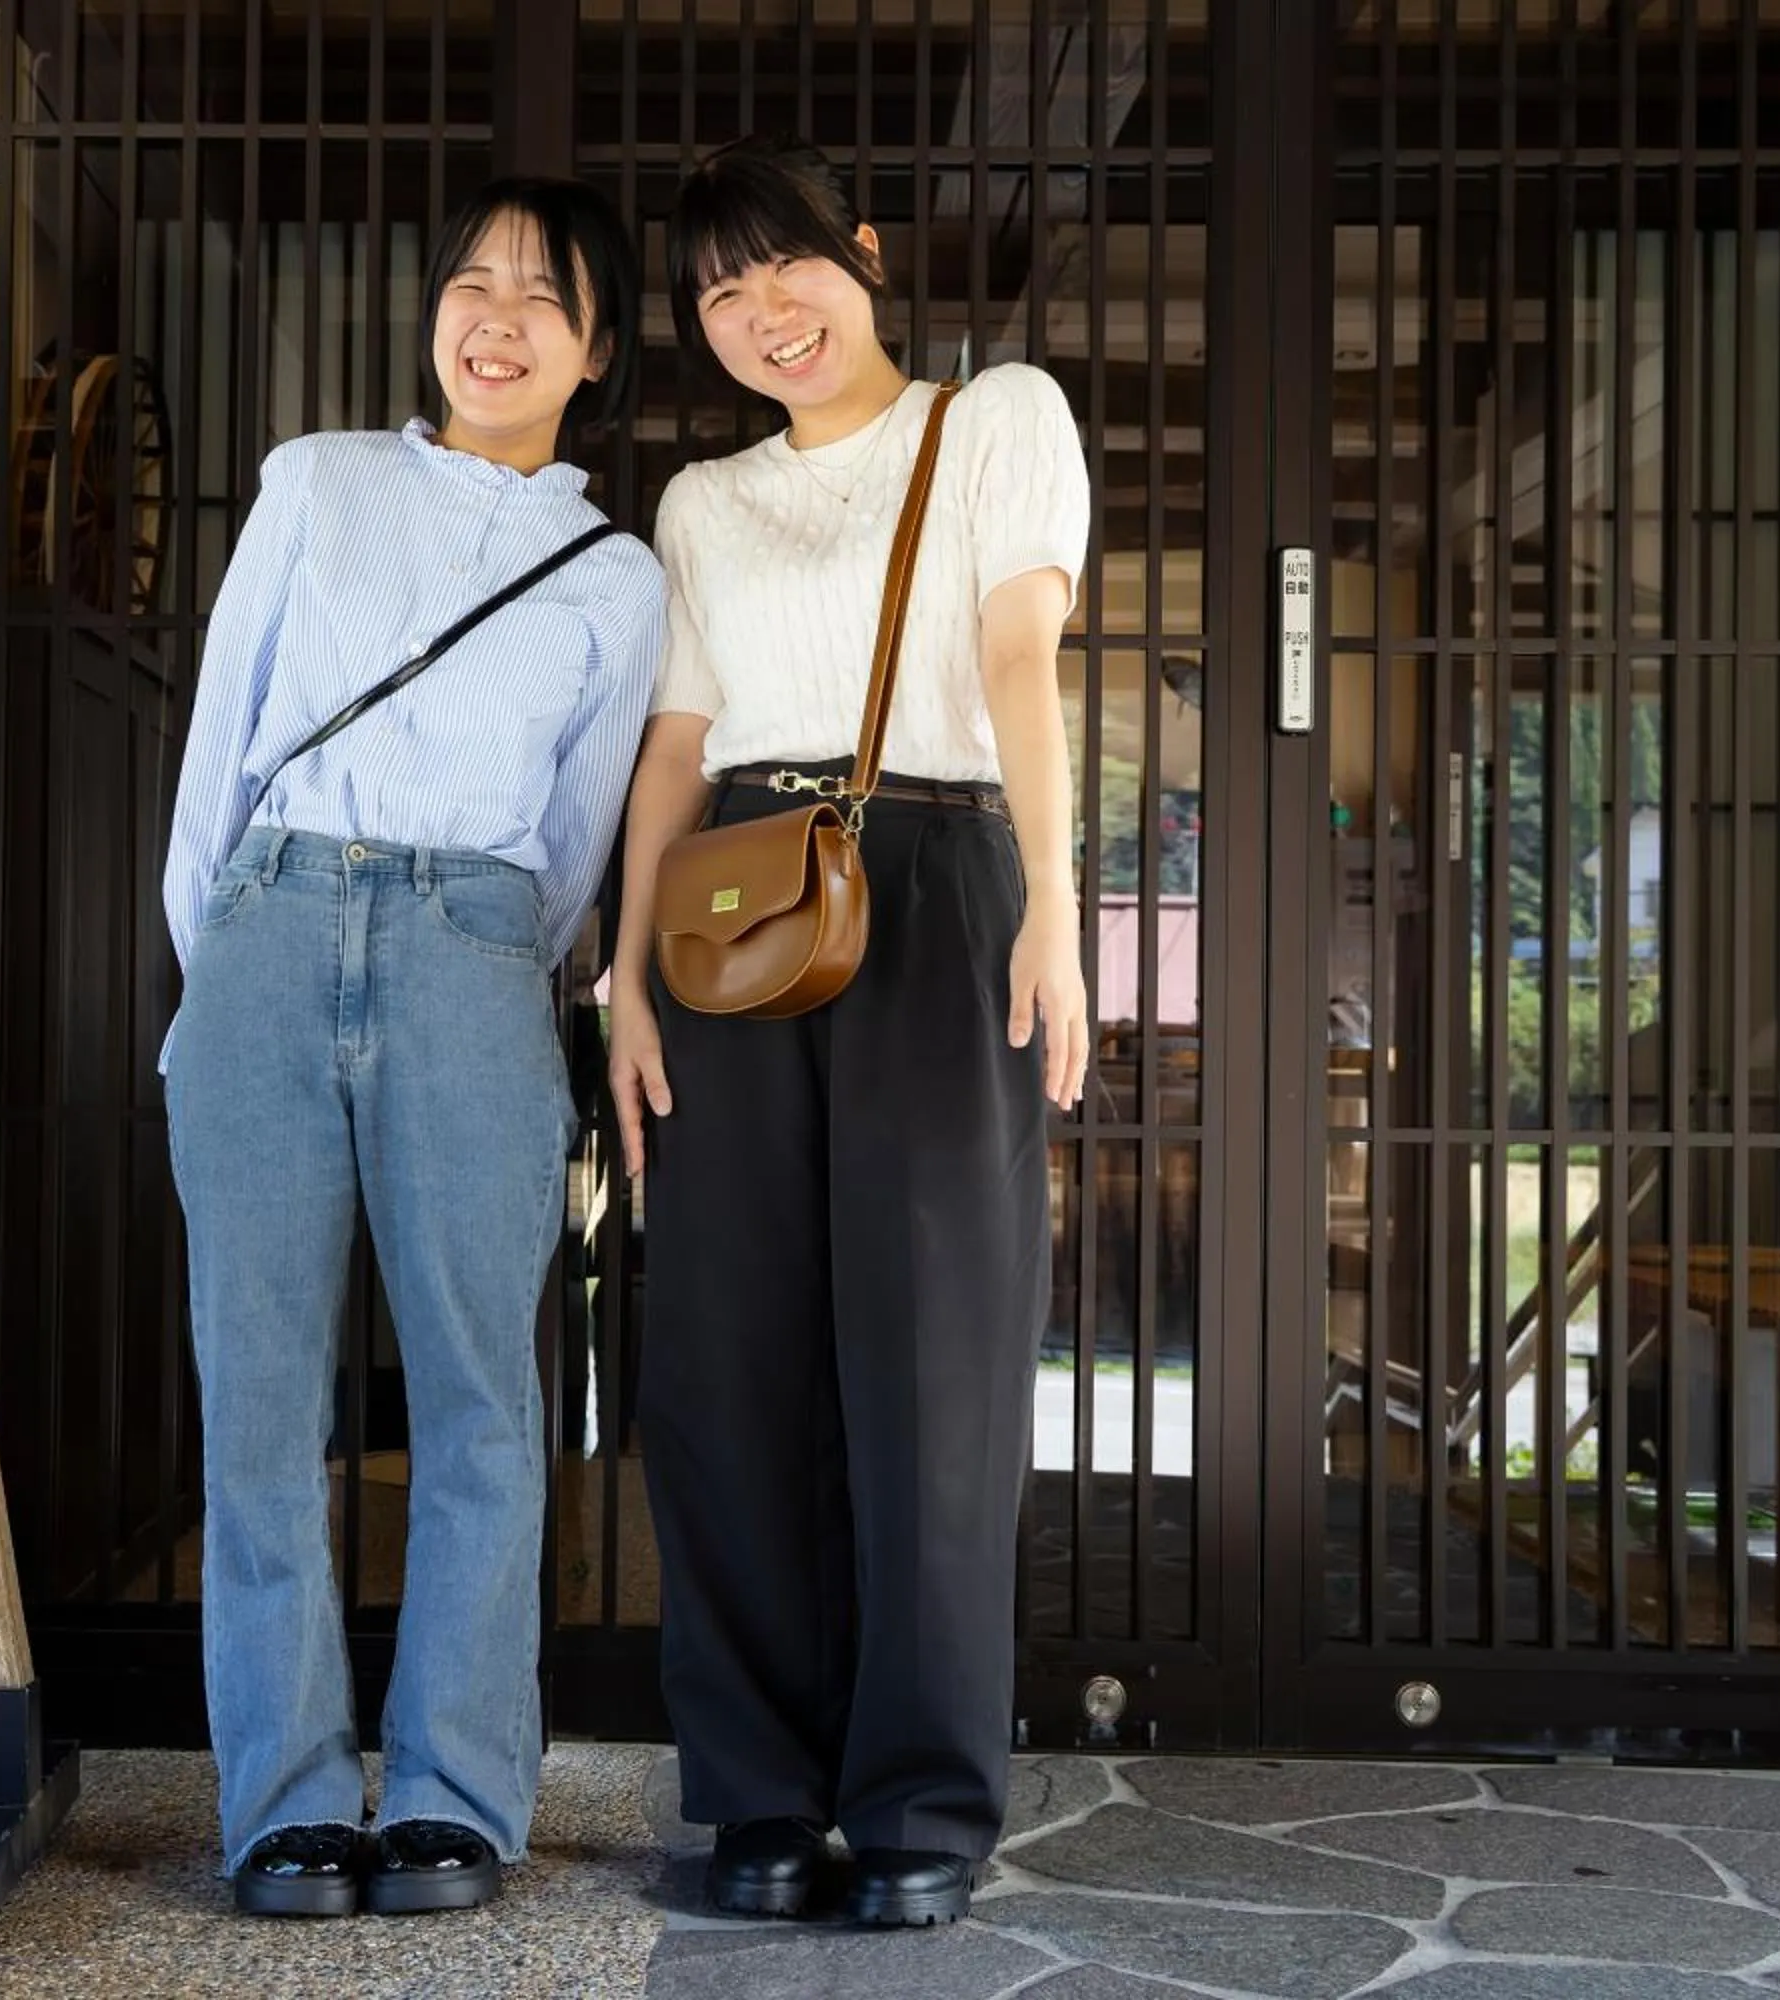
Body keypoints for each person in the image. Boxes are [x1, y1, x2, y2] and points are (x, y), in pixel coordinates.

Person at [160, 176, 664, 1919]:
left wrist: (468, 965)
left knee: (476, 1402)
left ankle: (453, 1789)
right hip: (269, 930)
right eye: (473, 282)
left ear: (596, 353)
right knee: (259, 1407)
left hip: (473, 950)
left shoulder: (618, 574)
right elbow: (218, 752)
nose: (498, 317)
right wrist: (214, 974)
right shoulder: (318, 481)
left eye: (545, 297)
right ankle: (287, 1798)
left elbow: (581, 845)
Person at [607, 135, 1092, 1928]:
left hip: (937, 879)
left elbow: (1023, 662)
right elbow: (674, 746)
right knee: (726, 1371)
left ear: (863, 255)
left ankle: (919, 1814)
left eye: (784, 270)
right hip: (735, 904)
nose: (761, 315)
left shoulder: (998, 421)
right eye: (721, 295)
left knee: (931, 1368)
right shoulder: (702, 506)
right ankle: (754, 1796)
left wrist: (1055, 904)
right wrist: (624, 976)